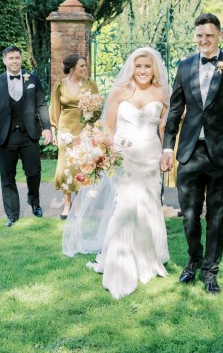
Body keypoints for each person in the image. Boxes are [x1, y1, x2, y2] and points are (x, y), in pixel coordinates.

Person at [62, 47, 170, 300]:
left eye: (147, 66)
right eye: (139, 66)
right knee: (124, 207)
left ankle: (146, 259)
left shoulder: (163, 93)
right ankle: (119, 264)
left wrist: (168, 154)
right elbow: (107, 127)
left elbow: (165, 129)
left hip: (150, 157)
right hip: (123, 157)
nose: (143, 71)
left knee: (148, 205)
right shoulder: (120, 92)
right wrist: (102, 154)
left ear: (154, 69)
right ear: (132, 68)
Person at [161, 13, 223, 295]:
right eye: (200, 36)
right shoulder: (184, 66)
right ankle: (193, 259)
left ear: (219, 36)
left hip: (222, 153)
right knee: (190, 215)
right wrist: (168, 146)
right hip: (189, 152)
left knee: (217, 216)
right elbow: (176, 110)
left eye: (209, 36)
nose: (204, 40)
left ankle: (210, 271)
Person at [0, 45, 51, 227]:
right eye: (11, 58)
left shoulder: (33, 79)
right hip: (6, 137)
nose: (15, 61)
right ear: (4, 60)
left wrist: (46, 128)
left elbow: (41, 105)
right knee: (7, 176)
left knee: (34, 172)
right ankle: (12, 214)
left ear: (21, 59)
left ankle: (34, 202)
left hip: (29, 135)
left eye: (17, 58)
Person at [49, 53, 100, 219]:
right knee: (65, 166)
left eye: (85, 66)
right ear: (72, 68)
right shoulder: (60, 85)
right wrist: (54, 129)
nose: (85, 69)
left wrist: (90, 128)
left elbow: (97, 109)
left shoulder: (90, 84)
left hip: (84, 129)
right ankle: (67, 204)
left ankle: (78, 206)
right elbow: (54, 109)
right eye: (82, 66)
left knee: (82, 165)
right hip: (65, 130)